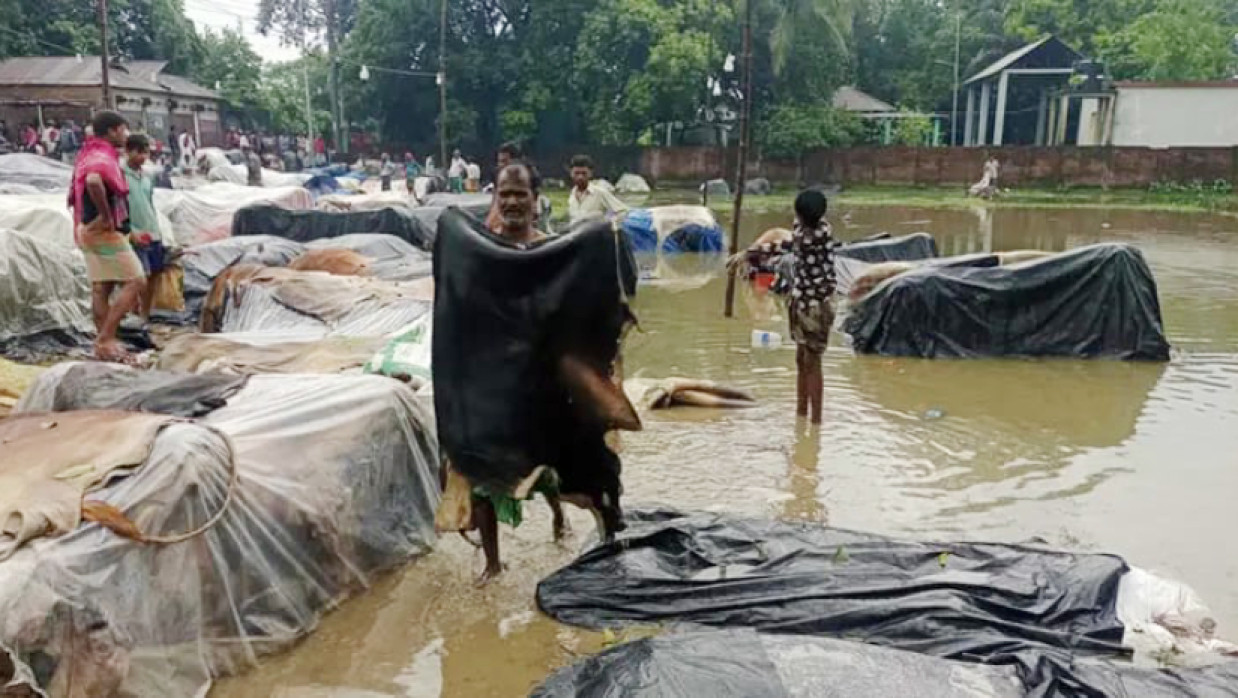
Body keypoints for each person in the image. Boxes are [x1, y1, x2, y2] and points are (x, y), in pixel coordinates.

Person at [68, 111, 145, 363]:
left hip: (86, 227)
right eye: (123, 130)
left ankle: (104, 346)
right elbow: (93, 181)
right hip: (100, 229)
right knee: (136, 280)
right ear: (112, 131)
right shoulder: (101, 157)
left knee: (102, 286)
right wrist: (107, 215)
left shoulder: (88, 152)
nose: (125, 135)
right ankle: (105, 338)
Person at [787, 189, 836, 424]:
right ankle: (801, 412)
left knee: (812, 361)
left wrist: (750, 253)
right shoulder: (825, 227)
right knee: (801, 358)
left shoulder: (805, 239)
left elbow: (785, 243)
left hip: (814, 306)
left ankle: (815, 421)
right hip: (804, 301)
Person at [121, 134, 167, 326]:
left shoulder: (147, 177)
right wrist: (130, 232)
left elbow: (149, 204)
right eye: (139, 152)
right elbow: (120, 207)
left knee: (154, 275)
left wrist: (158, 230)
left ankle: (144, 315)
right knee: (140, 278)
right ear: (128, 152)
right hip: (135, 233)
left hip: (152, 231)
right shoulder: (121, 175)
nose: (143, 157)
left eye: (146, 152)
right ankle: (132, 315)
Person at [567, 154, 627, 223]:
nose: (580, 177)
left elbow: (623, 212)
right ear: (571, 174)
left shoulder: (600, 192)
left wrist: (608, 222)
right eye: (576, 173)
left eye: (584, 173)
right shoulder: (572, 194)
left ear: (590, 174)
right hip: (576, 232)